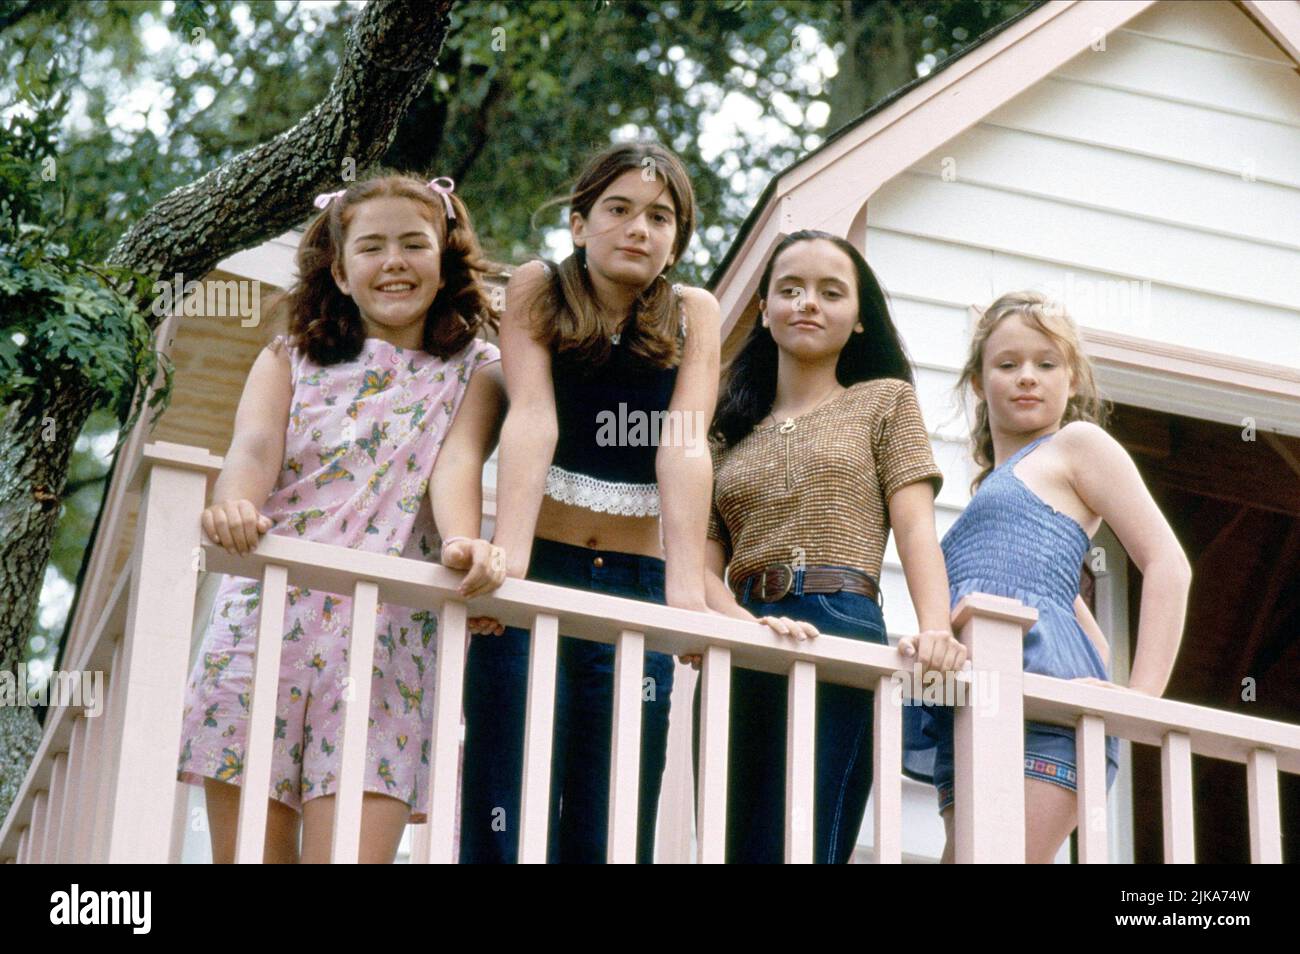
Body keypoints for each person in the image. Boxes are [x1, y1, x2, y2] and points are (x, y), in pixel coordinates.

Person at [177, 171, 505, 863]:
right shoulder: (288, 357)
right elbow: (255, 448)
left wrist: (463, 543)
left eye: (414, 244)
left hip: (387, 642)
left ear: (444, 259)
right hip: (265, 627)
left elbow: (457, 465)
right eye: (372, 247)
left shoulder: (475, 368)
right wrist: (233, 503)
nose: (394, 261)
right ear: (341, 269)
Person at [459, 141, 721, 863]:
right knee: (506, 800)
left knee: (613, 818)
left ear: (676, 240)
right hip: (540, 568)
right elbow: (533, 417)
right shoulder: (541, 287)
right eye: (619, 210)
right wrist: (506, 568)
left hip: (634, 591)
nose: (639, 228)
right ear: (579, 224)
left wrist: (683, 594)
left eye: (660, 217)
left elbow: (686, 445)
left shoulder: (694, 312)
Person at [694, 229, 967, 863]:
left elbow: (916, 528)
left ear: (860, 318)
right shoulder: (724, 431)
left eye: (830, 292)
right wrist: (740, 622)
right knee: (731, 847)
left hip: (837, 623)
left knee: (803, 844)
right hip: (740, 629)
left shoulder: (886, 403)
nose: (807, 303)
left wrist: (935, 629)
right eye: (789, 290)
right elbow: (701, 565)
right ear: (764, 311)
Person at [903, 290, 1190, 863]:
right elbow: (1085, 631)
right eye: (1007, 364)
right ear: (980, 383)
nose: (1027, 377)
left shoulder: (1076, 446)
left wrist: (1141, 698)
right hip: (970, 715)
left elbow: (1167, 564)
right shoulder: (990, 491)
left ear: (1073, 380)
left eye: (1046, 363)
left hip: (1045, 724)